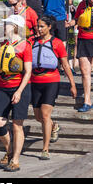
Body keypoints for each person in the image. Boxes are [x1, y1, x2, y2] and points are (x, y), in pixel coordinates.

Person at [31, 15, 77, 160]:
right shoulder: (32, 42)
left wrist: (72, 84)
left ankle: (45, 149)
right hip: (35, 81)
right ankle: (54, 126)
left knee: (45, 115)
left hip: (51, 80)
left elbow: (65, 65)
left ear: (49, 27)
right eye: (38, 26)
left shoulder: (57, 43)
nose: (39, 29)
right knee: (38, 116)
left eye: (42, 26)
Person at [0, 14, 32, 172]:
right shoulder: (3, 44)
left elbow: (28, 71)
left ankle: (15, 160)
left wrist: (19, 91)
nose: (4, 26)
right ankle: (9, 150)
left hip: (19, 87)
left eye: (7, 24)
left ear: (15, 26)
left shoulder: (25, 45)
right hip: (2, 86)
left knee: (17, 125)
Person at [70, 0, 91, 72]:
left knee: (84, 43)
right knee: (75, 42)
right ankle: (75, 62)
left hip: (85, 21)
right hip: (76, 20)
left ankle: (84, 63)